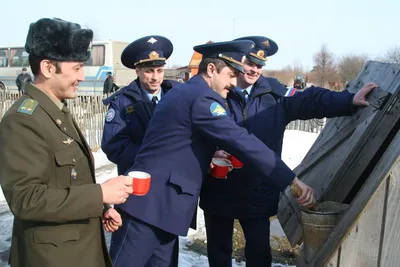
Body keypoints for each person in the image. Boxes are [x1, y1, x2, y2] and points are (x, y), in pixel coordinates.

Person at [108, 39, 316, 267]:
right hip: (148, 209)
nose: (234, 83)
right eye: (230, 75)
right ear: (211, 69)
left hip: (164, 209)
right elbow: (242, 141)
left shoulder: (187, 92)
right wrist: (291, 179)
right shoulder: (202, 98)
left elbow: (177, 146)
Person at [199, 36, 379, 267]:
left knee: (259, 255)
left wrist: (348, 100)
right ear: (237, 62)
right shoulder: (213, 93)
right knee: (218, 255)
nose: (254, 70)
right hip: (219, 188)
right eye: (250, 63)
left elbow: (311, 101)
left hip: (258, 189)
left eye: (259, 65)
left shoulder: (275, 94)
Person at [0, 18, 133, 267]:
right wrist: (100, 194)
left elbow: (69, 180)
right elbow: (27, 200)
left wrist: (102, 207)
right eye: (77, 68)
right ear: (48, 68)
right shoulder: (22, 120)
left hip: (79, 250)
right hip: (52, 258)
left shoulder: (55, 110)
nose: (82, 76)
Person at [102, 35, 178, 176]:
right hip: (139, 181)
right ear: (137, 71)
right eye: (149, 71)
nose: (155, 77)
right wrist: (152, 155)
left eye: (159, 70)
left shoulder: (178, 95)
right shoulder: (122, 102)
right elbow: (113, 146)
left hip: (172, 181)